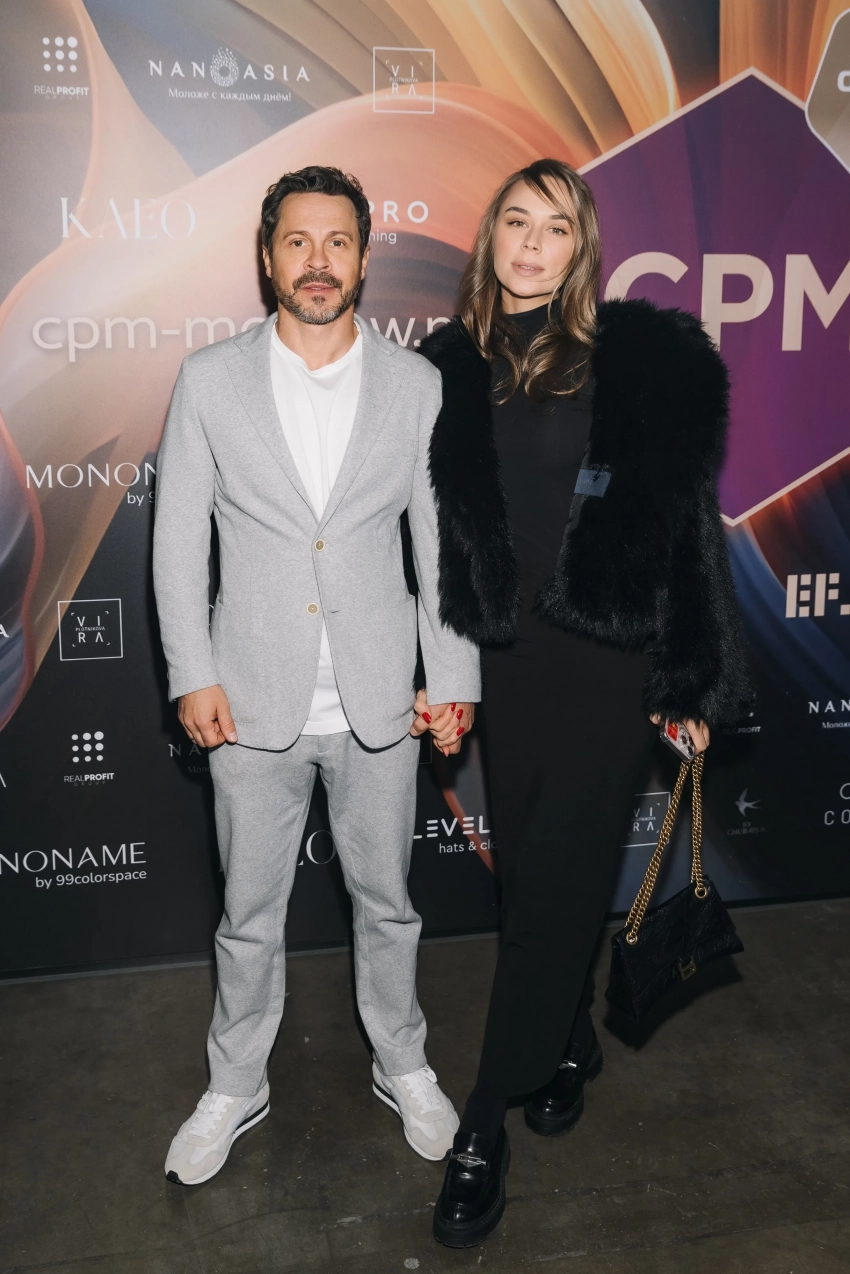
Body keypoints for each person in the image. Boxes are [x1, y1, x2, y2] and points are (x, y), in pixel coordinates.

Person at [417, 158, 752, 1247]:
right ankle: (569, 1041)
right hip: (505, 661)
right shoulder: (443, 366)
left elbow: (688, 528)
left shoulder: (635, 360)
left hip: (607, 661)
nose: (530, 243)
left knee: (555, 878)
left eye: (554, 227)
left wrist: (690, 675)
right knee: (537, 879)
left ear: (580, 249)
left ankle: (484, 1119)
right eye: (515, 220)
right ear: (490, 237)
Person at [152, 165, 479, 1186]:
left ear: (364, 257)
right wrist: (191, 672)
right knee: (248, 914)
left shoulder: (416, 385)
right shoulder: (209, 380)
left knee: (388, 905)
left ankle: (403, 1061)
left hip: (382, 702)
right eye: (297, 241)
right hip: (250, 702)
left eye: (337, 241)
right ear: (268, 257)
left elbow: (441, 549)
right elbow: (176, 544)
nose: (318, 261)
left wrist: (453, 676)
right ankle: (234, 1081)